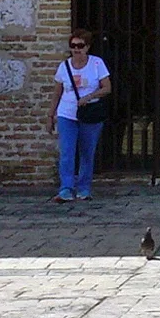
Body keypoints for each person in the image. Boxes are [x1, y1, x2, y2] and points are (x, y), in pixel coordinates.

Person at [47, 28, 111, 203]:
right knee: (67, 152)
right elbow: (57, 92)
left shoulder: (96, 64)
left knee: (87, 152)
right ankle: (66, 188)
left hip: (89, 114)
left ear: (87, 47)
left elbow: (107, 87)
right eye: (73, 46)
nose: (76, 49)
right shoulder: (64, 66)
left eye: (80, 46)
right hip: (67, 114)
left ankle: (84, 187)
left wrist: (89, 97)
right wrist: (51, 115)